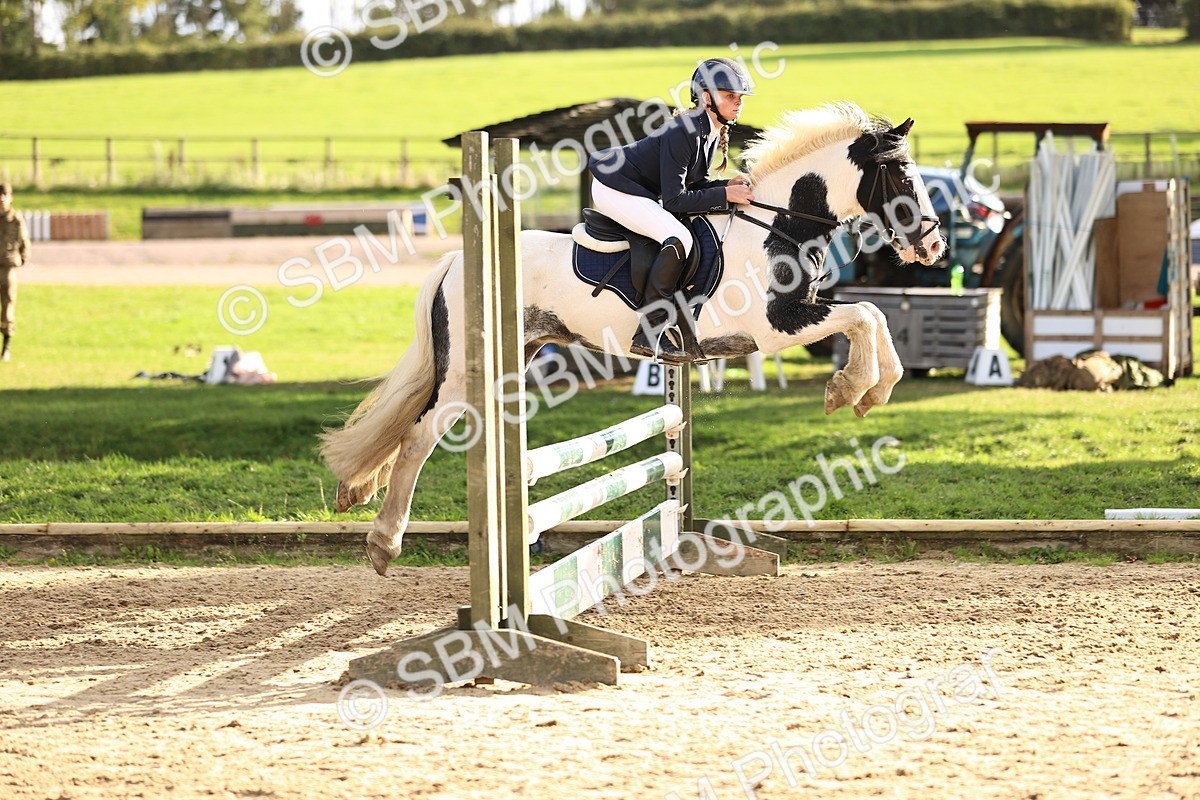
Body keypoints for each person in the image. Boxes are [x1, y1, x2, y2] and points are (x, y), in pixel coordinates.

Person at [588, 57, 756, 364]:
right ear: (706, 97)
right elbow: (676, 200)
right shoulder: (685, 130)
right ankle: (648, 334)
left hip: (635, 187)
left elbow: (695, 183)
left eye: (740, 97)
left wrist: (724, 186)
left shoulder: (707, 129)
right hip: (614, 187)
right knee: (679, 237)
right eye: (730, 95)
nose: (738, 103)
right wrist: (724, 194)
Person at [0, 183, 30, 362]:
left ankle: (6, 347)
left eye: (5, 195)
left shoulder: (16, 219)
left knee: (8, 308)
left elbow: (24, 241)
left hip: (8, 267)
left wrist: (24, 258)